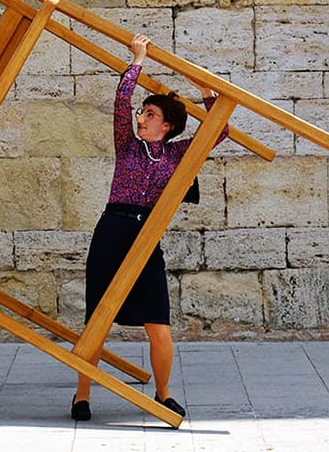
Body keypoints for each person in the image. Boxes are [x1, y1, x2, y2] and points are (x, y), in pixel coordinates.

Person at [71, 34, 229, 422]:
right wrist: (137, 59)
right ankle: (82, 395)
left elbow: (219, 132)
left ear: (168, 125)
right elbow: (121, 101)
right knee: (98, 319)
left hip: (146, 237)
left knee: (158, 322)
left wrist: (205, 90)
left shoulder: (176, 153)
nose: (142, 116)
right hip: (112, 231)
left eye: (151, 114)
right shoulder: (127, 143)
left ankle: (163, 393)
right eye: (143, 112)